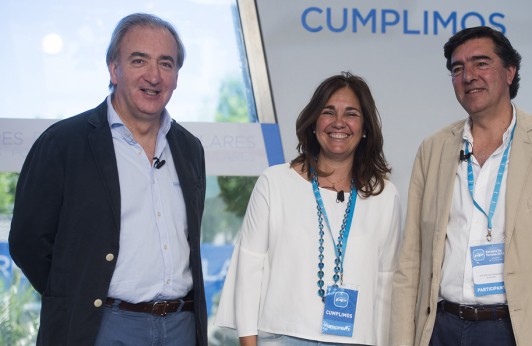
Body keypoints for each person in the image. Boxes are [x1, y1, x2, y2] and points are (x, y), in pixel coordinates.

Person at [390, 26, 532, 346]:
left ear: (509, 71)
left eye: (481, 63)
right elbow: (411, 261)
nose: (468, 76)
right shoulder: (433, 149)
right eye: (457, 68)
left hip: (519, 330)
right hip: (441, 327)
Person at [9, 13, 207, 345]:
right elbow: (29, 241)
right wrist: (77, 292)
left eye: (166, 64)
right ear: (114, 69)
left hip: (181, 327)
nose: (153, 76)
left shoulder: (190, 149)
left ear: (176, 77)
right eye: (139, 60)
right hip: (101, 326)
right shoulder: (64, 143)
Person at [214, 72, 402, 345]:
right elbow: (248, 269)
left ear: (365, 129)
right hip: (282, 338)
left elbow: (387, 284)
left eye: (351, 114)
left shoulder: (384, 195)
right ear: (314, 124)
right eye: (328, 112)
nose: (339, 122)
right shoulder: (275, 182)